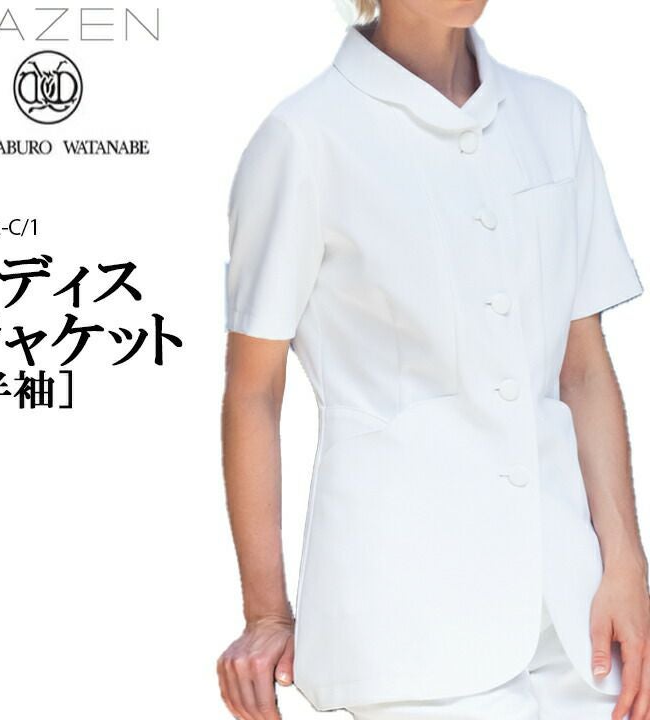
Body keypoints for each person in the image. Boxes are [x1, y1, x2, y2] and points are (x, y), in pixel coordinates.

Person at [217, 1, 650, 718]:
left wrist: (627, 565)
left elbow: (583, 368)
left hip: (580, 625)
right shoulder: (304, 139)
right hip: (409, 629)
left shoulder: (555, 119)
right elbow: (253, 391)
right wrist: (266, 611)